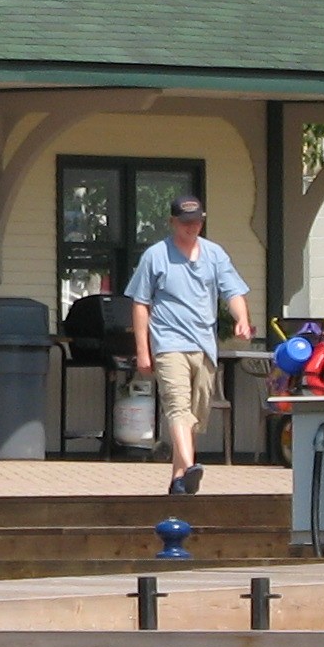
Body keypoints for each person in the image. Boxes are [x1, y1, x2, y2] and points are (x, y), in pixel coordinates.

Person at [127, 195, 251, 496]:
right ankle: (192, 464)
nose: (191, 227)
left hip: (204, 346)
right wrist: (143, 351)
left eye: (196, 221)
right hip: (169, 343)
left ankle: (179, 480)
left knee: (193, 417)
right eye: (185, 222)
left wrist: (242, 319)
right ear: (172, 223)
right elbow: (140, 304)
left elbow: (233, 292)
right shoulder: (156, 256)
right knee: (178, 407)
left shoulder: (214, 254)